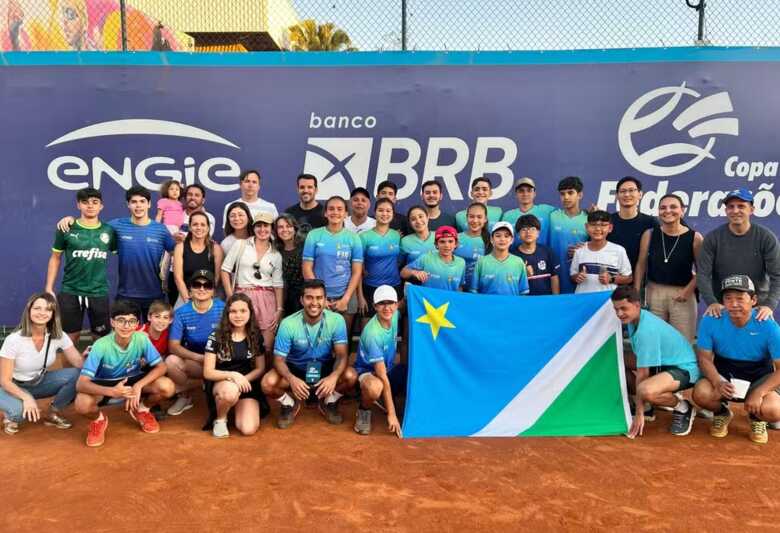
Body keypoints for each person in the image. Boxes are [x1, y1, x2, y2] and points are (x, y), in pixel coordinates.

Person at [57, 186, 176, 321]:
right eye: (134, 202)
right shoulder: (115, 226)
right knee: (124, 338)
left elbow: (175, 252)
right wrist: (71, 219)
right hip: (125, 295)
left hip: (155, 294)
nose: (138, 206)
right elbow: (93, 226)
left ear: (149, 204)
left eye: (142, 201)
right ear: (128, 205)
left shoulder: (160, 230)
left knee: (154, 337)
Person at [74, 300, 175, 447]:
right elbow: (81, 384)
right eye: (121, 320)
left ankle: (143, 410)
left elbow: (161, 367)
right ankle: (99, 420)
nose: (126, 326)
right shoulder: (100, 345)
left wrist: (139, 386)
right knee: (82, 404)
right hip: (105, 384)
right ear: (112, 322)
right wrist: (112, 391)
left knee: (167, 387)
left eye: (131, 321)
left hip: (132, 380)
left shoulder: (142, 339)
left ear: (136, 324)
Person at [692, 275, 780, 444]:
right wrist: (717, 382)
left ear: (753, 300)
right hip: (724, 373)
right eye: (728, 298)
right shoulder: (710, 319)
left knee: (774, 410)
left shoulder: (768, 325)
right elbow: (704, 358)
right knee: (701, 394)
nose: (733, 304)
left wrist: (759, 392)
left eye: (740, 298)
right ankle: (722, 413)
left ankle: (757, 418)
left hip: (758, 377)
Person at [261, 279, 357, 429]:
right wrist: (291, 379)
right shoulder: (288, 324)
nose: (314, 302)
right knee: (267, 383)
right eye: (309, 297)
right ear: (301, 300)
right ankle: (289, 403)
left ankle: (329, 401)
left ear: (325, 300)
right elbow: (278, 360)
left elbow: (341, 355)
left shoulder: (337, 320)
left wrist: (334, 376)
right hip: (296, 370)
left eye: (319, 298)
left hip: (325, 369)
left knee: (351, 376)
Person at [611, 286, 700, 438]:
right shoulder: (635, 319)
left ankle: (683, 407)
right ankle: (648, 407)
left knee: (646, 391)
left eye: (623, 308)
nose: (619, 313)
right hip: (662, 365)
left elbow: (643, 373)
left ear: (637, 305)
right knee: (617, 361)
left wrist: (639, 413)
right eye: (616, 309)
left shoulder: (647, 330)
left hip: (684, 369)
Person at [0, 293, 84, 435]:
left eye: (47, 309)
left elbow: (78, 363)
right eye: (37, 308)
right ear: (29, 311)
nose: (42, 313)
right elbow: (4, 380)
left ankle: (52, 413)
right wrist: (26, 398)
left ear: (53, 314)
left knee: (76, 375)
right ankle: (12, 413)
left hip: (37, 383)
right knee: (19, 413)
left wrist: (91, 358)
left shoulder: (58, 335)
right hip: (10, 386)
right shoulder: (14, 339)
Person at [46, 187, 116, 345]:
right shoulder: (66, 228)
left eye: (94, 202)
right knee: (68, 339)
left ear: (101, 206)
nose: (90, 205)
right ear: (78, 205)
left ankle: (98, 370)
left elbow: (121, 253)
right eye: (85, 202)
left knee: (101, 340)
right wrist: (49, 287)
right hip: (71, 291)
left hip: (98, 292)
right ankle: (66, 371)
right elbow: (55, 257)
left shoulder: (109, 231)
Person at [697, 188, 780, 322]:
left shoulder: (766, 237)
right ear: (726, 211)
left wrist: (769, 305)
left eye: (741, 206)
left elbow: (777, 275)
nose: (735, 211)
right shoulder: (713, 238)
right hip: (723, 308)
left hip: (757, 309)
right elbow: (702, 274)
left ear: (751, 210)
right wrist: (712, 302)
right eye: (731, 207)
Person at [634, 194, 703, 342]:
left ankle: (680, 366)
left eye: (673, 207)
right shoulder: (650, 234)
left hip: (683, 295)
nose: (668, 211)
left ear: (682, 211)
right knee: (653, 340)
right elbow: (641, 264)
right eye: (663, 207)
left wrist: (688, 290)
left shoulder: (695, 238)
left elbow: (703, 270)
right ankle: (656, 367)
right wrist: (636, 291)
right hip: (654, 293)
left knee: (682, 342)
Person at [221, 212, 284, 356]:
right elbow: (225, 270)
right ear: (254, 228)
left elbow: (278, 284)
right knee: (241, 341)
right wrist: (231, 296)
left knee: (267, 346)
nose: (262, 229)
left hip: (267, 298)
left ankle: (262, 377)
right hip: (242, 295)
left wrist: (279, 309)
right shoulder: (241, 244)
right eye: (259, 225)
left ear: (271, 228)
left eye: (266, 226)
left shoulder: (276, 254)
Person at [203, 293, 265, 438]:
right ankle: (220, 419)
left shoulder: (256, 335)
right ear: (227, 314)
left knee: (248, 429)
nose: (238, 315)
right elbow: (208, 372)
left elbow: (260, 368)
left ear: (250, 312)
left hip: (246, 384)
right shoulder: (216, 336)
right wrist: (234, 376)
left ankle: (234, 405)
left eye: (243, 311)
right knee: (230, 391)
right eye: (233, 311)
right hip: (222, 382)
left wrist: (244, 380)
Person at [167, 270, 225, 416]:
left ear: (213, 291)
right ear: (190, 289)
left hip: (221, 362)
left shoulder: (224, 308)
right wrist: (199, 358)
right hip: (196, 361)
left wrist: (215, 359)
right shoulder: (181, 312)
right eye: (197, 284)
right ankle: (186, 396)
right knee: (171, 361)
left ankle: (214, 389)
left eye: (207, 285)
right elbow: (173, 346)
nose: (201, 289)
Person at [302, 196, 364, 334]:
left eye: (340, 209)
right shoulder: (314, 235)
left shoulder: (354, 238)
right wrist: (320, 298)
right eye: (331, 209)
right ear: (325, 213)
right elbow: (306, 268)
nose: (335, 212)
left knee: (342, 341)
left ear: (346, 214)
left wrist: (346, 299)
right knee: (319, 340)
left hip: (346, 296)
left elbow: (357, 272)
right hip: (318, 298)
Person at [352, 285, 404, 437]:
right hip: (369, 372)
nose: (387, 308)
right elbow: (381, 376)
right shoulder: (373, 333)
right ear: (374, 306)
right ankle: (364, 409)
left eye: (390, 303)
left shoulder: (394, 314)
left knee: (410, 372)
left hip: (387, 368)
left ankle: (386, 399)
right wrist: (392, 414)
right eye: (382, 303)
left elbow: (403, 304)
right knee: (375, 387)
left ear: (395, 305)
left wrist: (409, 293)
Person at [358, 198, 402, 319]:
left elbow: (398, 260)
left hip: (394, 286)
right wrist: (360, 296)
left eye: (388, 211)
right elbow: (357, 269)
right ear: (375, 212)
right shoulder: (364, 237)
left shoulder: (396, 235)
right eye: (381, 210)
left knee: (390, 328)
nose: (384, 214)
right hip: (370, 287)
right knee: (367, 328)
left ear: (393, 214)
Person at [571, 210, 632, 294]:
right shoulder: (579, 250)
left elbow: (628, 278)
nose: (598, 229)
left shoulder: (619, 250)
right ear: (586, 227)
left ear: (610, 228)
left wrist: (611, 279)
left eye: (603, 225)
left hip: (607, 302)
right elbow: (573, 275)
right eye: (593, 225)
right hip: (583, 300)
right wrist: (577, 277)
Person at [172, 212, 223, 309]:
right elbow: (178, 278)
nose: (199, 228)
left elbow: (217, 278)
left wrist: (206, 298)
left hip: (209, 296)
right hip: (186, 295)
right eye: (195, 224)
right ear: (190, 227)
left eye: (203, 224)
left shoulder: (216, 249)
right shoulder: (180, 247)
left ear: (208, 228)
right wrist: (188, 301)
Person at [608, 177, 658, 273]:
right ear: (616, 196)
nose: (627, 194)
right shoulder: (608, 221)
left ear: (640, 194)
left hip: (642, 282)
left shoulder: (651, 222)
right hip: (611, 281)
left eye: (631, 190)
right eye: (623, 191)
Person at [549, 176, 589, 294]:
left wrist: (585, 248)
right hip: (555, 277)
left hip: (580, 279)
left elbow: (599, 246)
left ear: (580, 195)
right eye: (562, 194)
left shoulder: (589, 219)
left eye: (570, 193)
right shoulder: (552, 215)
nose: (566, 197)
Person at [471, 222, 529, 296]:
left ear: (512, 240)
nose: (502, 239)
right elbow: (474, 291)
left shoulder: (518, 262)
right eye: (498, 236)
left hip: (512, 306)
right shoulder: (482, 262)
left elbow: (523, 292)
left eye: (506, 236)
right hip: (487, 306)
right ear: (492, 239)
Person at [401, 226, 466, 291]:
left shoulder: (461, 263)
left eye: (450, 241)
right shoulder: (426, 258)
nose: (447, 245)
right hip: (429, 300)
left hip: (450, 300)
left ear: (456, 244)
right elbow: (403, 273)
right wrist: (415, 272)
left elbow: (459, 287)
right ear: (436, 244)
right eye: (442, 242)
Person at [513, 214, 560, 296]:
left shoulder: (547, 252)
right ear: (518, 234)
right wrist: (524, 275)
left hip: (546, 301)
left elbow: (554, 277)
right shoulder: (513, 256)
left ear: (538, 233)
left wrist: (555, 299)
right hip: (523, 302)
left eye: (532, 229)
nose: (528, 232)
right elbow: (511, 283)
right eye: (524, 229)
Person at [501, 177, 556, 246]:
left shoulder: (547, 211)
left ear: (534, 193)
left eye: (529, 190)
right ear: (516, 194)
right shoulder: (507, 216)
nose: (525, 194)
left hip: (542, 255)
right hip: (515, 255)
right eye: (521, 191)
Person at [274, 214, 304, 317]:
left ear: (295, 228)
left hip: (303, 298)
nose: (285, 230)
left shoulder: (304, 247)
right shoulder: (274, 250)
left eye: (288, 226)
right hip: (281, 299)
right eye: (280, 227)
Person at [455, 203, 490, 291]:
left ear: (485, 219)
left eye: (479, 217)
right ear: (466, 217)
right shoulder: (455, 238)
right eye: (471, 216)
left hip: (481, 290)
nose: (475, 220)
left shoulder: (491, 240)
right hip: (457, 289)